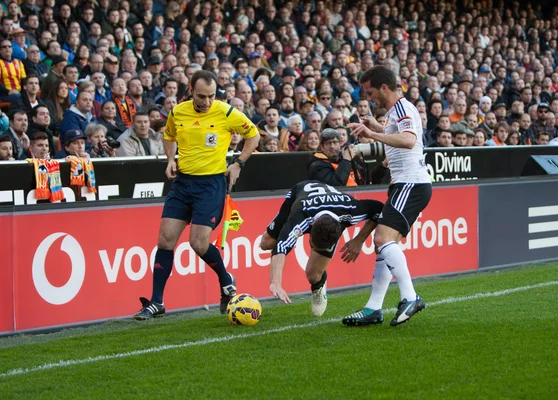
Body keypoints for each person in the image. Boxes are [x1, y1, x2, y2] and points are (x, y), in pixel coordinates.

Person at [134, 70, 260, 320]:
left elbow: (253, 135)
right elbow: (168, 135)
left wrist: (238, 164)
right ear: (191, 90)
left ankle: (226, 280)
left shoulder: (226, 112)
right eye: (202, 96)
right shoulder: (177, 112)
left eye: (211, 96)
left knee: (198, 243)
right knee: (165, 240)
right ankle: (157, 302)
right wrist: (170, 159)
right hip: (183, 184)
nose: (206, 102)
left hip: (211, 184)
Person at [345, 66, 432, 327]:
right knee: (383, 242)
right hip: (405, 184)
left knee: (382, 238)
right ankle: (373, 308)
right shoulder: (395, 112)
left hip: (411, 183)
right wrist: (378, 127)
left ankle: (410, 296)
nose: (369, 98)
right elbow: (399, 140)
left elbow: (407, 140)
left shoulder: (404, 108)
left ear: (384, 87)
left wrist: (372, 134)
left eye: (371, 92)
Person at [262, 180, 383, 316]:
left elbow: (379, 209)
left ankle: (319, 286)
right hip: (300, 194)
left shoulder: (351, 209)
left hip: (333, 208)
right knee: (266, 244)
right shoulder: (301, 216)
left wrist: (359, 240)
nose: (312, 248)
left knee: (313, 275)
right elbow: (281, 247)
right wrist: (276, 283)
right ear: (310, 233)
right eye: (313, 245)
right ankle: (289, 235)